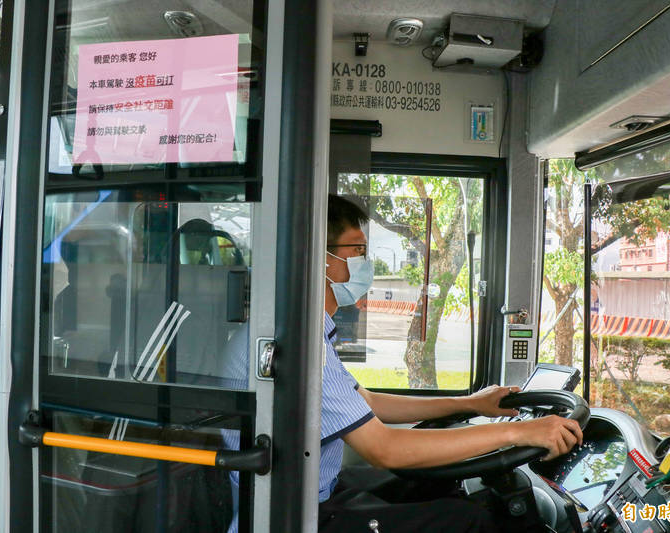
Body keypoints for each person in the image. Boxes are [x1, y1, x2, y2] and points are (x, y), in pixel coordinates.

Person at [225, 194, 584, 532]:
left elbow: (365, 401)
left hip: (307, 495)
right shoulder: (298, 342)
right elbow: (384, 449)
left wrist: (470, 403)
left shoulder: (300, 327)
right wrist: (517, 431)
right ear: (320, 258)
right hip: (294, 515)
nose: (365, 262)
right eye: (357, 250)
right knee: (468, 522)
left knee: (443, 490)